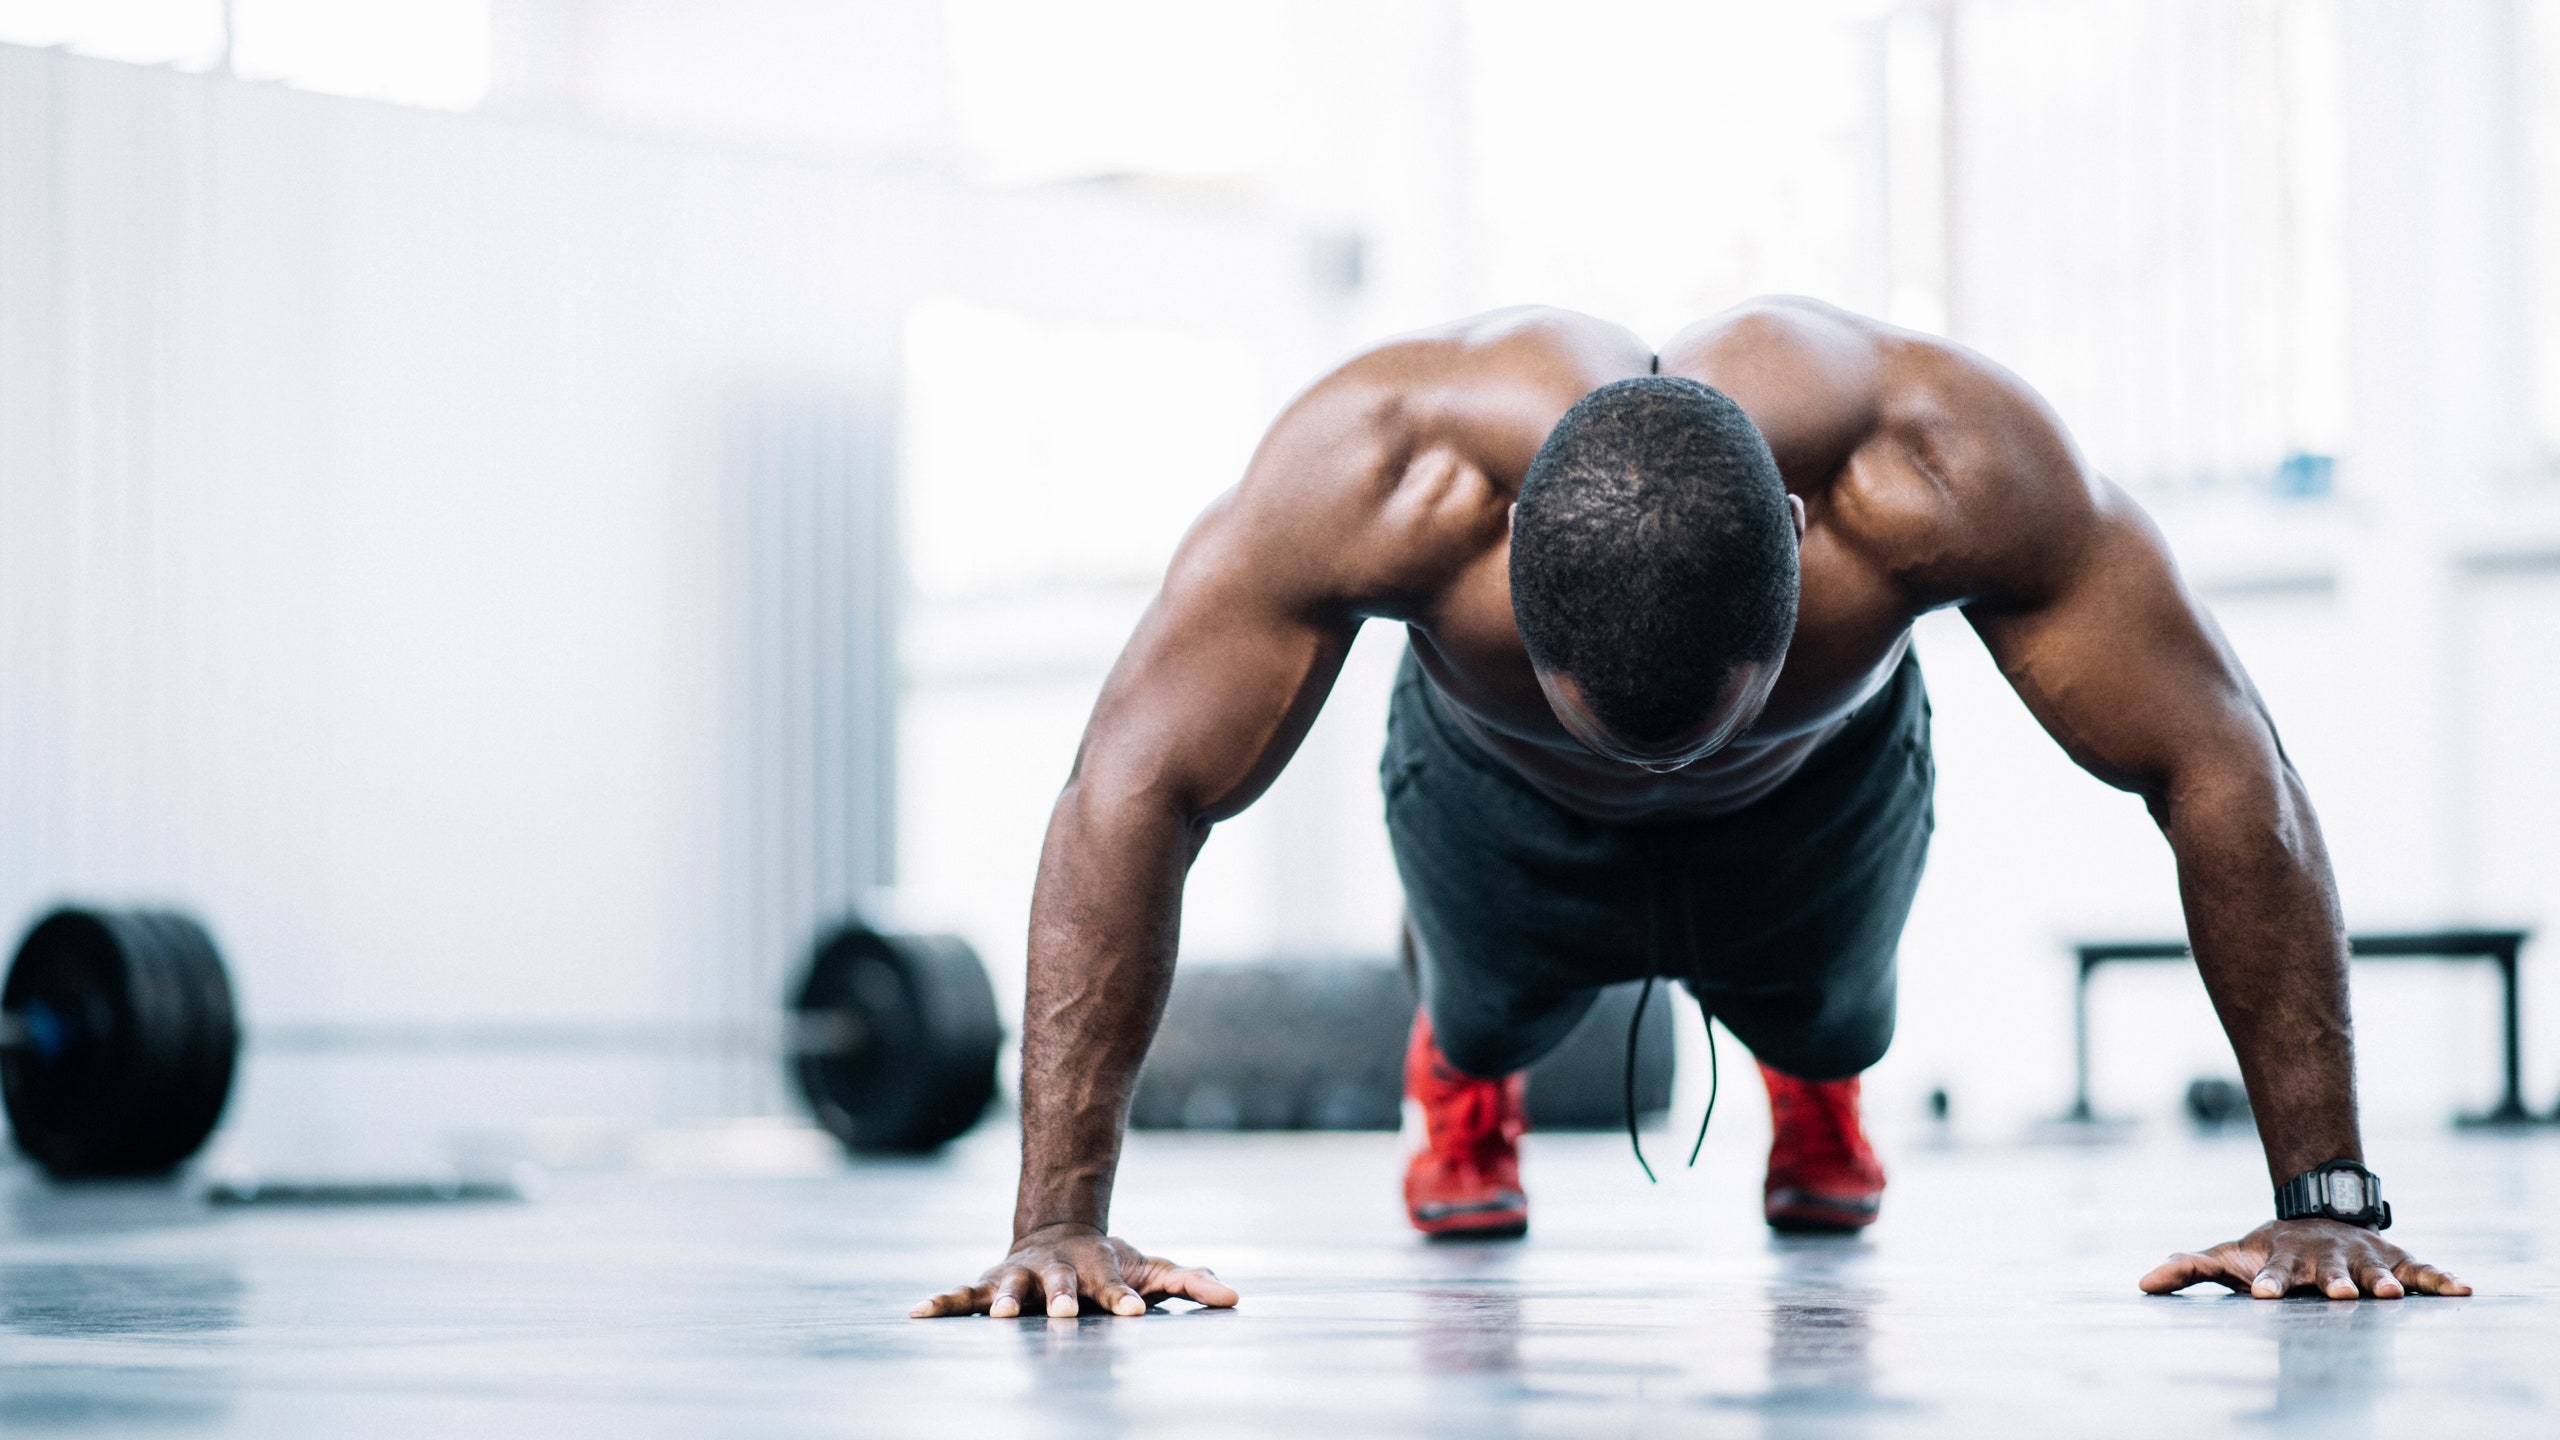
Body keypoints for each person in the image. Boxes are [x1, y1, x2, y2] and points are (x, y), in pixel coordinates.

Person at [911, 299, 2468, 1320]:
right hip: (1495, 797)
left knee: (1830, 1015)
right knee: (1494, 1006)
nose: (1657, 771)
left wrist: (2323, 1199)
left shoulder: (1943, 463)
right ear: (1505, 552)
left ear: (1802, 539)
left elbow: (2217, 758)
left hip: (1818, 795)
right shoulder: (1378, 472)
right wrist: (1059, 1220)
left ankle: (1813, 1082)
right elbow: (1132, 782)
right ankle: (1465, 1072)